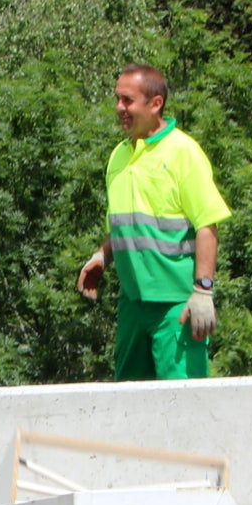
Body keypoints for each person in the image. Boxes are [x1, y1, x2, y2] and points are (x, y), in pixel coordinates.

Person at [76, 64, 230, 381]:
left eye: (128, 100)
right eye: (118, 99)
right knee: (130, 401)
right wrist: (102, 256)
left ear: (155, 103)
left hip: (177, 305)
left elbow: (207, 224)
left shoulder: (183, 152)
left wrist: (203, 291)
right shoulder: (119, 156)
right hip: (133, 303)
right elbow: (124, 225)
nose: (120, 108)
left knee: (183, 400)